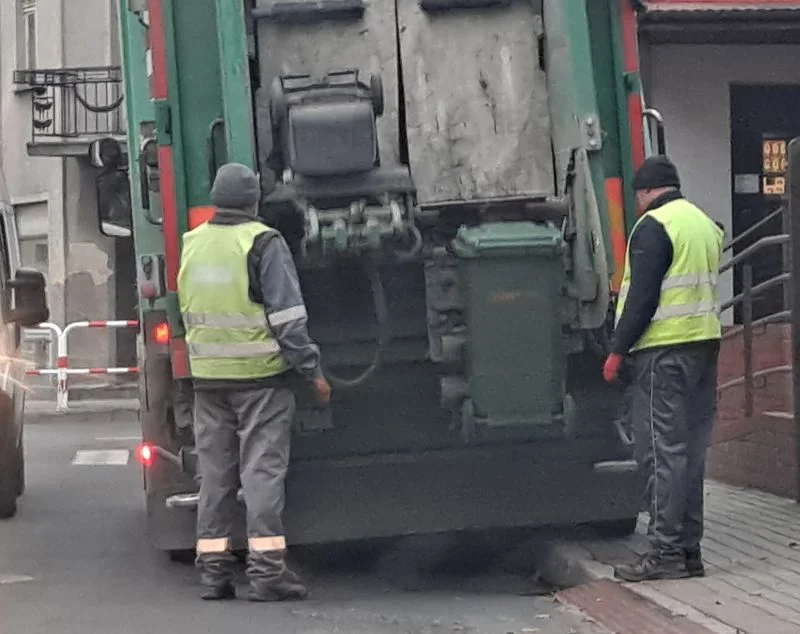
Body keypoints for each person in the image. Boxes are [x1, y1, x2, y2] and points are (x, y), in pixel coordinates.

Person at [177, 162, 331, 602]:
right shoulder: (263, 242)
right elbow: (287, 319)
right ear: (254, 201)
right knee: (261, 474)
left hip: (208, 381)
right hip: (261, 380)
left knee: (215, 479)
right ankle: (266, 574)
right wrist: (312, 372)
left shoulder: (192, 243)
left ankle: (214, 574)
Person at [603, 155, 724, 583]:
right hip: (704, 347)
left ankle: (665, 553)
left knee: (661, 453)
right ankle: (689, 552)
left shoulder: (654, 226)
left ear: (646, 192)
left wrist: (617, 350)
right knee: (691, 453)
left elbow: (643, 297)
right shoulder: (704, 224)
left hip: (663, 353)